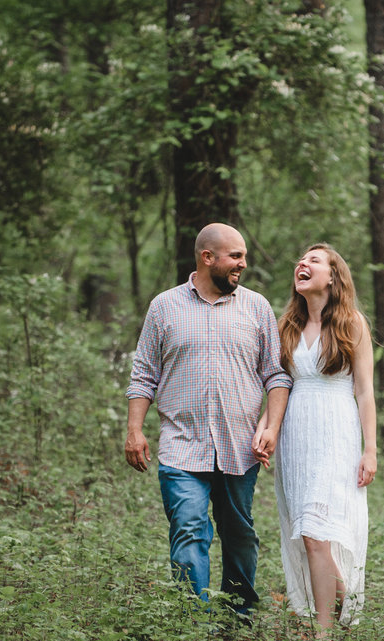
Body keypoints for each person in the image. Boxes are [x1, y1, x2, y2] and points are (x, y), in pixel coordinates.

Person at [124, 222, 292, 616]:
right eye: (236, 256)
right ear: (207, 257)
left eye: (243, 257)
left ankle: (238, 617)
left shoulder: (257, 307)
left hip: (240, 447)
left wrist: (271, 427)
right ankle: (193, 621)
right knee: (188, 531)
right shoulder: (164, 307)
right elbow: (144, 374)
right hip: (183, 446)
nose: (243, 265)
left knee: (240, 537)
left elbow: (276, 374)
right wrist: (134, 430)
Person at [266, 243, 376, 638]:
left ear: (333, 276)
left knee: (316, 531)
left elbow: (364, 392)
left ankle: (324, 635)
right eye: (301, 260)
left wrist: (370, 449)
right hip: (298, 435)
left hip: (336, 433)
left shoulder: (352, 324)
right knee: (310, 534)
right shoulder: (287, 326)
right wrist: (268, 428)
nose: (302, 264)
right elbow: (277, 384)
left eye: (314, 260)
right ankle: (346, 602)